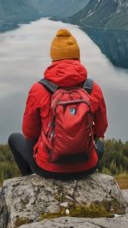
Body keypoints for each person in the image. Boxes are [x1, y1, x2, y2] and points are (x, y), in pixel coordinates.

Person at [8, 28, 108, 179]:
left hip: (48, 168)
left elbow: (29, 132)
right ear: (77, 57)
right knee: (100, 145)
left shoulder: (39, 89)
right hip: (87, 166)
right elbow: (101, 129)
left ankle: (29, 179)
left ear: (54, 58)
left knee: (14, 138)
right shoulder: (93, 88)